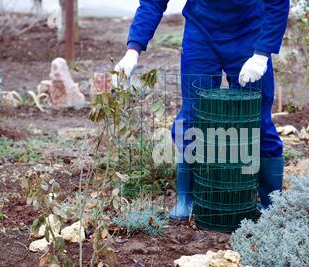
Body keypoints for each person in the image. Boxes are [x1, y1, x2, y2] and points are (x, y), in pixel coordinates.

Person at [115, 0, 290, 220]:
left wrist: (262, 54)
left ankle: (271, 202)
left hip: (249, 32)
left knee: (257, 118)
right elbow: (153, 3)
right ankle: (186, 199)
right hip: (202, 33)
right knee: (192, 117)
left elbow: (278, 3)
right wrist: (133, 50)